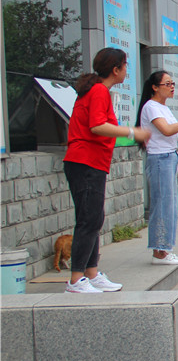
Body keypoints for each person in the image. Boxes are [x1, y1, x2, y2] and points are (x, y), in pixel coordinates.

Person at [63, 48, 151, 293]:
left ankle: (91, 273)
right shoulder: (99, 90)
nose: (126, 70)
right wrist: (133, 132)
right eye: (125, 65)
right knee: (88, 220)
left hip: (90, 162)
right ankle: (76, 279)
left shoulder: (96, 90)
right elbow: (97, 126)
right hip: (85, 162)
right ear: (115, 69)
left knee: (94, 218)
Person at [137, 71, 178, 265]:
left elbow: (173, 134)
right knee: (162, 204)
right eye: (167, 84)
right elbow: (166, 130)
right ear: (155, 87)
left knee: (169, 204)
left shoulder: (163, 108)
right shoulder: (151, 107)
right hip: (159, 158)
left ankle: (165, 248)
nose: (172, 87)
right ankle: (159, 251)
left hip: (169, 157)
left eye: (173, 83)